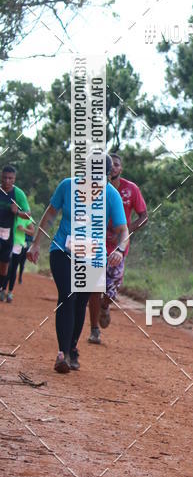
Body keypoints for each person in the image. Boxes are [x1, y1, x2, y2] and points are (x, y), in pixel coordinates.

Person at [28, 155, 128, 373]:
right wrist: (36, 244)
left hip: (93, 255)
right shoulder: (67, 186)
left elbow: (123, 230)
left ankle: (72, 347)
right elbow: (50, 215)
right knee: (68, 295)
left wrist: (120, 250)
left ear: (109, 175)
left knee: (81, 302)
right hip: (63, 249)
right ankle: (62, 354)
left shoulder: (111, 195)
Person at [88, 153, 148, 344]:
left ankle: (105, 306)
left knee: (111, 291)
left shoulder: (131, 189)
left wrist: (126, 230)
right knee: (94, 287)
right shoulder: (93, 188)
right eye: (110, 164)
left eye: (116, 165)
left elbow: (144, 216)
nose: (113, 167)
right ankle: (94, 329)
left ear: (120, 169)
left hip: (119, 248)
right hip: (96, 245)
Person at [0, 165, 32, 302]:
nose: (7, 181)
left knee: (5, 265)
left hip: (9, 234)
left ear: (14, 179)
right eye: (4, 178)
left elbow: (28, 214)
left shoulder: (18, 194)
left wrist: (17, 212)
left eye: (10, 178)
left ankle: (2, 288)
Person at [6, 214, 35, 302]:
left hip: (21, 245)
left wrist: (23, 229)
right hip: (8, 243)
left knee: (16, 267)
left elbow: (32, 232)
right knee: (8, 267)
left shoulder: (27, 218)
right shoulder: (11, 213)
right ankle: (3, 289)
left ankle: (11, 290)